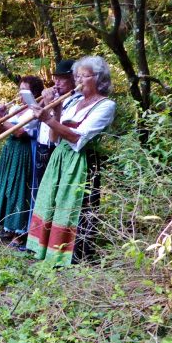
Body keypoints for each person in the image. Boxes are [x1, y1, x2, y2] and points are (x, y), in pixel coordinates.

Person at [26, 56, 116, 265]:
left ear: (99, 78)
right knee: (51, 202)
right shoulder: (74, 101)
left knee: (74, 208)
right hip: (60, 158)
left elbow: (77, 137)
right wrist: (52, 107)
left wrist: (47, 118)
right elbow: (54, 137)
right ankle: (46, 250)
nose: (78, 80)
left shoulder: (106, 105)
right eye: (77, 76)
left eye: (83, 76)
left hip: (81, 162)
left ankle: (71, 257)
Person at [0, 75, 44, 247]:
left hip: (24, 151)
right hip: (10, 150)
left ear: (34, 93)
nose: (20, 95)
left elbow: (20, 132)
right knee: (8, 186)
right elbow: (0, 133)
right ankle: (8, 227)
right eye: (20, 91)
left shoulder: (36, 111)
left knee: (20, 189)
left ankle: (21, 232)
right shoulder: (16, 108)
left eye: (25, 91)